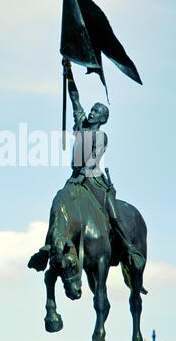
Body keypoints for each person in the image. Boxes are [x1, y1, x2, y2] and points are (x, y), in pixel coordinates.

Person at [28, 60, 145, 271]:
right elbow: (75, 98)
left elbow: (93, 158)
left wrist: (81, 176)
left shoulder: (101, 136)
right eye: (92, 109)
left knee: (112, 211)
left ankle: (128, 246)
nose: (92, 112)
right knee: (59, 205)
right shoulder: (81, 124)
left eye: (97, 111)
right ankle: (48, 246)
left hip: (94, 180)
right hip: (75, 179)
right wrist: (68, 73)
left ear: (103, 119)